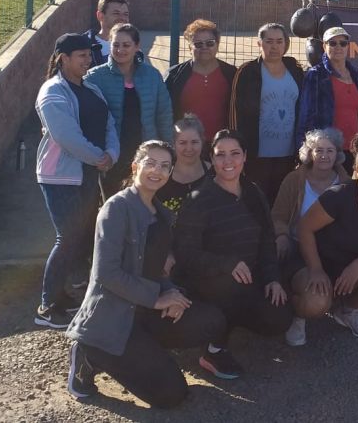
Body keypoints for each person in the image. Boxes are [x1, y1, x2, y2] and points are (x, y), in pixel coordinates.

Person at [65, 141, 233, 407]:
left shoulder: (162, 213)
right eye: (150, 163)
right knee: (172, 395)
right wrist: (157, 298)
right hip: (113, 319)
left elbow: (154, 268)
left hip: (144, 312)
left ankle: (144, 353)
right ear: (135, 167)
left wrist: (170, 292)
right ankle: (90, 353)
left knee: (210, 320)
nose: (157, 170)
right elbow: (106, 273)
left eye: (165, 166)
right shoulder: (116, 209)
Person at [172, 131, 292, 368]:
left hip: (248, 280)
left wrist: (272, 278)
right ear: (212, 159)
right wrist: (226, 264)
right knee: (229, 284)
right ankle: (214, 346)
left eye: (235, 153)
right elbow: (185, 254)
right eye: (220, 155)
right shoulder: (199, 200)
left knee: (279, 317)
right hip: (210, 283)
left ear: (245, 156)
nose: (228, 161)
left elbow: (267, 239)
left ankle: (232, 320)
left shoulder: (253, 192)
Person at [34, 33, 118, 329]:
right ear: (63, 58)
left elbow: (108, 123)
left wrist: (111, 154)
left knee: (78, 236)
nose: (88, 60)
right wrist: (98, 157)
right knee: (68, 237)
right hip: (61, 177)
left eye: (89, 54)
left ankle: (60, 295)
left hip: (88, 172)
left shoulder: (91, 88)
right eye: (81, 55)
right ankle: (47, 306)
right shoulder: (52, 92)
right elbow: (66, 135)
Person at [289, 136, 358, 343]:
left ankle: (349, 310)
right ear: (356, 170)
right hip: (316, 262)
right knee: (315, 304)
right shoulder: (338, 196)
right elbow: (304, 228)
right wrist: (316, 269)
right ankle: (297, 316)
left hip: (350, 267)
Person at [85, 23, 173, 198]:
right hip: (112, 154)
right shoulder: (94, 77)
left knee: (145, 201)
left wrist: (168, 149)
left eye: (126, 45)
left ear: (136, 46)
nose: (120, 50)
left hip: (146, 153)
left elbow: (163, 114)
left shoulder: (152, 75)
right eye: (116, 45)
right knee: (113, 202)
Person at [228, 22, 305, 204]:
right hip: (257, 156)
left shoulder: (295, 70)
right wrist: (239, 150)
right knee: (258, 204)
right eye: (269, 41)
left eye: (279, 41)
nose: (274, 47)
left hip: (288, 155)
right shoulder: (247, 72)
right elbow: (235, 114)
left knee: (282, 204)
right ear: (259, 43)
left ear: (285, 44)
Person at [271, 128, 350, 269]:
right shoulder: (293, 180)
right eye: (319, 150)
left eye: (330, 151)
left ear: (337, 154)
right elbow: (278, 216)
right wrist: (282, 235)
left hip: (336, 250)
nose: (324, 156)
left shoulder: (347, 184)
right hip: (297, 246)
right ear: (309, 153)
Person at [296, 26, 358, 149]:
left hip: (356, 150)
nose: (338, 47)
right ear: (324, 46)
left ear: (348, 46)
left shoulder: (357, 76)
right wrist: (303, 147)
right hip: (327, 152)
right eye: (332, 43)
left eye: (343, 43)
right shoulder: (316, 75)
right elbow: (305, 115)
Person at [164, 19, 237, 144]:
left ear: (217, 45)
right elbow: (165, 113)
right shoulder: (174, 75)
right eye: (198, 44)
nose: (204, 47)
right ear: (189, 47)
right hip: (187, 145)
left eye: (210, 43)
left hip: (222, 144)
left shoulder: (232, 74)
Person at [155, 114, 211, 215]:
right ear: (174, 144)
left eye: (194, 142)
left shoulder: (215, 173)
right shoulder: (162, 177)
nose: (189, 148)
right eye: (182, 143)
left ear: (202, 142)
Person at [84, 0, 130, 68]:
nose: (122, 18)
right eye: (116, 13)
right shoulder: (84, 46)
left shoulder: (133, 47)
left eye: (126, 14)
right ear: (100, 16)